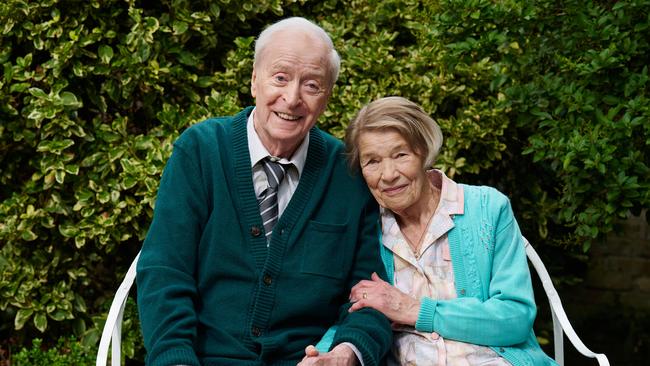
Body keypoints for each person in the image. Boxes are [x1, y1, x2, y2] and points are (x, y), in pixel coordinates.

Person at [136, 17, 391, 366]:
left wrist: (347, 352)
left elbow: (370, 291)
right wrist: (175, 358)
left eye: (312, 85)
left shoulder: (347, 170)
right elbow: (165, 271)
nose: (292, 98)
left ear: (327, 97)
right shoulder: (200, 151)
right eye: (280, 77)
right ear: (254, 80)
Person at [341, 96, 558, 365]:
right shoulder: (365, 228)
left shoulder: (487, 208)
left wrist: (413, 309)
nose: (388, 174)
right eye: (372, 161)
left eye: (400, 155)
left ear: (424, 152)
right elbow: (349, 315)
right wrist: (334, 353)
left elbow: (514, 319)